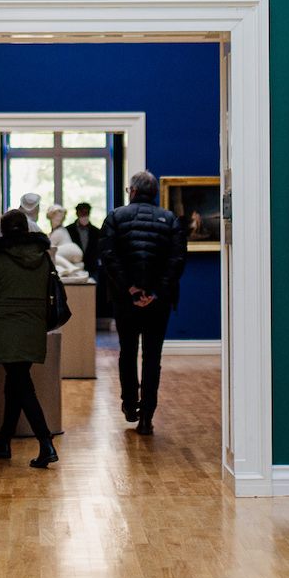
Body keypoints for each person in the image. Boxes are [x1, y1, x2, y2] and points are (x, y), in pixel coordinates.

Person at [96, 171, 188, 436]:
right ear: (154, 193)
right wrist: (155, 292)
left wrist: (131, 289)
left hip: (125, 300)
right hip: (158, 303)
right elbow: (177, 260)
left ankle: (129, 405)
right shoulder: (169, 219)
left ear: (133, 191)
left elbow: (108, 256)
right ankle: (146, 416)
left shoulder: (115, 217)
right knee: (152, 356)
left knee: (127, 352)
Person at [0, 208, 58, 468]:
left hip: (6, 330)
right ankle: (3, 442)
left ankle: (46, 443)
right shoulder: (42, 256)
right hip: (33, 328)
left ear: (2, 230)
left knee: (22, 386)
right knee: (15, 384)